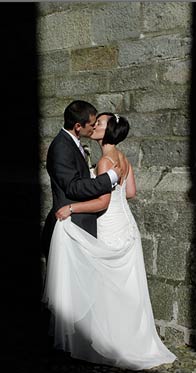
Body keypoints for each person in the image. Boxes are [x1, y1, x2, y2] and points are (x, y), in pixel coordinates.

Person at [42, 112, 177, 370]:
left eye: (100, 124)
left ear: (108, 132)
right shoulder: (123, 158)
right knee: (126, 289)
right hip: (127, 225)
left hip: (110, 227)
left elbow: (103, 202)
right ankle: (132, 339)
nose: (94, 127)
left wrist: (71, 209)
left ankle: (112, 342)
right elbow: (131, 192)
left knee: (108, 288)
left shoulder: (105, 161)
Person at [40, 100, 124, 259]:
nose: (94, 127)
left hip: (81, 224)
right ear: (78, 126)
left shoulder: (74, 143)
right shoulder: (61, 147)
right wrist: (109, 178)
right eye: (92, 124)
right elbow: (73, 187)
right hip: (70, 224)